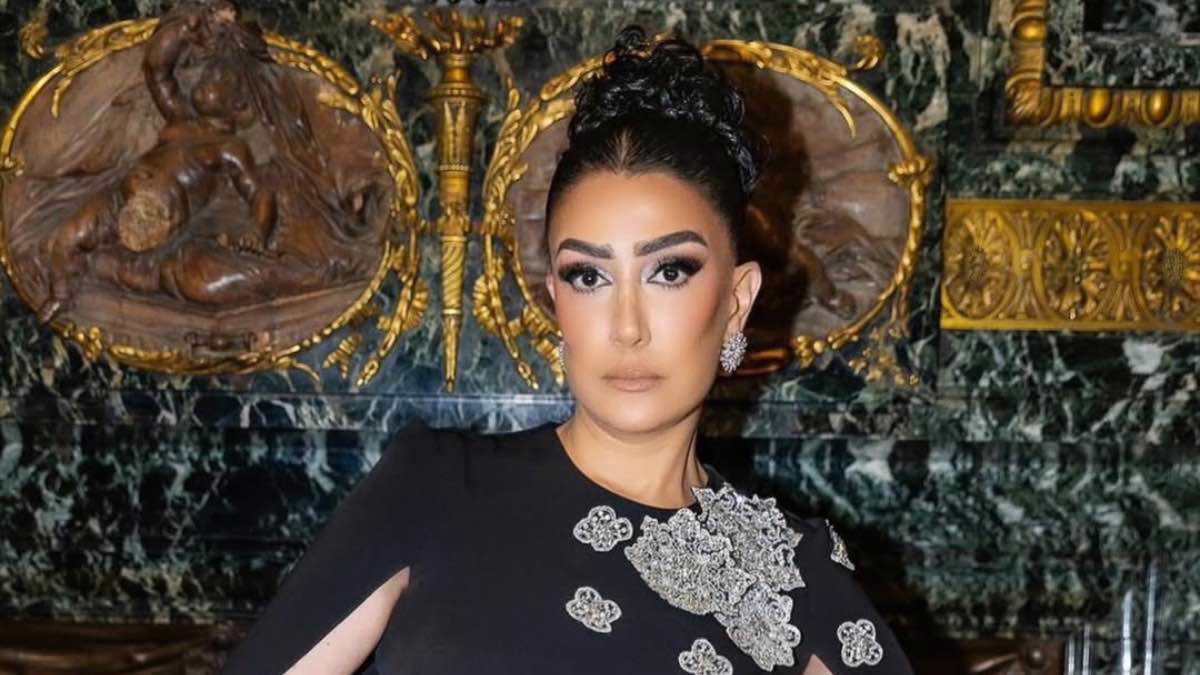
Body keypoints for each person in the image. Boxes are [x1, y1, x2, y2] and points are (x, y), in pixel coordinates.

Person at [222, 26, 913, 675]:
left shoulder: (799, 573)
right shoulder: (436, 486)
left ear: (736, 299)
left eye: (669, 271)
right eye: (589, 277)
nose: (626, 326)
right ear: (556, 297)